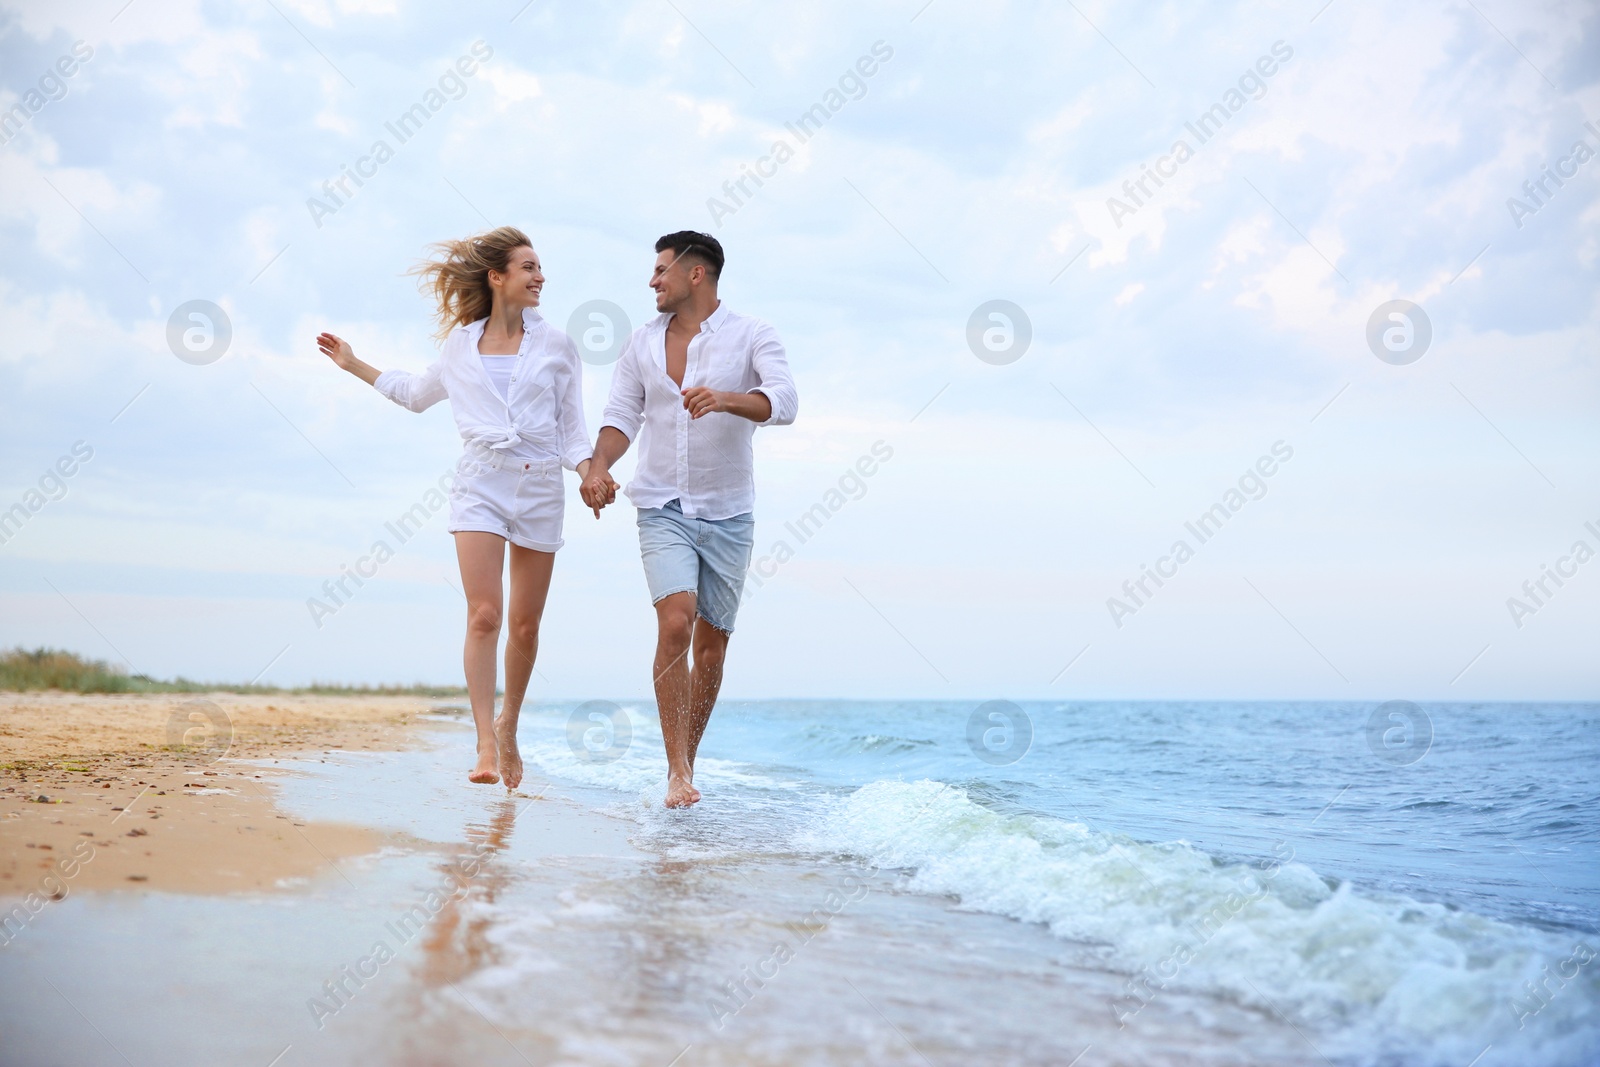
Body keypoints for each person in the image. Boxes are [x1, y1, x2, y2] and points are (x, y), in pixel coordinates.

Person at [316, 226, 609, 789]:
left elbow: (572, 430)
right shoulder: (459, 345)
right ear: (497, 277)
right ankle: (482, 743)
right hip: (480, 483)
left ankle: (509, 725)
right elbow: (413, 394)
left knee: (524, 625)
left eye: (540, 267)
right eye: (528, 267)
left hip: (541, 485)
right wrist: (354, 363)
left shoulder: (557, 346)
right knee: (485, 615)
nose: (540, 276)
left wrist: (590, 473)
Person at [580, 231, 797, 808]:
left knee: (712, 649)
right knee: (675, 622)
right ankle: (676, 770)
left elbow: (786, 402)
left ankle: (687, 757)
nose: (652, 281)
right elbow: (621, 415)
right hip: (661, 504)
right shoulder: (640, 344)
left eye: (660, 271)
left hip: (729, 512)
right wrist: (597, 468)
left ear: (694, 273)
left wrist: (726, 398)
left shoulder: (754, 334)